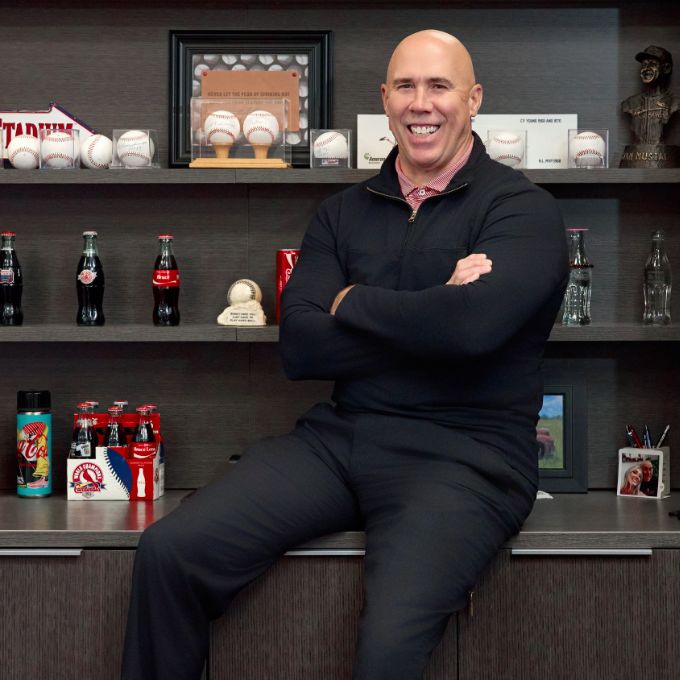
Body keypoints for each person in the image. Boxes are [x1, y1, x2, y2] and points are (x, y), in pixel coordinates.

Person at [121, 30, 568, 680]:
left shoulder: (523, 211)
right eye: (406, 86)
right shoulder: (340, 214)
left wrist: (352, 299)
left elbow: (473, 329)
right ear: (385, 98)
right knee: (170, 551)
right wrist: (437, 306)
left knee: (388, 649)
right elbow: (301, 346)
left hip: (466, 456)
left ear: (473, 99)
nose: (421, 103)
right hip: (339, 440)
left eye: (439, 86)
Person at [621, 46, 680, 145]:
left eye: (653, 64)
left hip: (660, 153)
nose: (646, 69)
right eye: (644, 64)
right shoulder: (629, 103)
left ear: (666, 68)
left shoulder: (674, 103)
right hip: (636, 153)